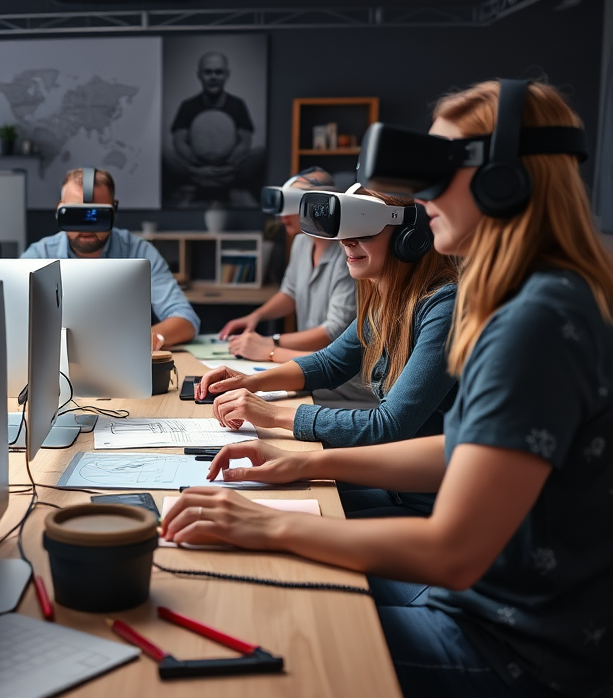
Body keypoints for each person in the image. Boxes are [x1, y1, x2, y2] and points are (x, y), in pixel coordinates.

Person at [165, 80, 612, 697]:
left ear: (502, 181)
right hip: (493, 616)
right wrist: (296, 470)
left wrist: (265, 524)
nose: (419, 194)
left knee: (262, 630)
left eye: (436, 170)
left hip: (514, 650)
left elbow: (453, 549)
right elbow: (460, 448)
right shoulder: (531, 298)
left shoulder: (532, 317)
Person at [196, 189, 459, 517]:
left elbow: (389, 425)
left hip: (432, 507)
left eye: (364, 229)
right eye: (346, 232)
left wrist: (275, 415)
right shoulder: (387, 299)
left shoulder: (443, 307)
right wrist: (251, 382)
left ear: (411, 236)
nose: (347, 242)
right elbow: (331, 363)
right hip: (397, 488)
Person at [217, 167, 377, 408]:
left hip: (341, 381)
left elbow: (332, 333)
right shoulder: (301, 242)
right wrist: (256, 316)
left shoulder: (351, 256)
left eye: (292, 206)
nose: (282, 217)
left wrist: (271, 344)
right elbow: (290, 293)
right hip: (308, 366)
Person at [23, 167, 200, 350]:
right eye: (77, 215)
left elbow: (186, 319)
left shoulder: (139, 252)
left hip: (123, 356)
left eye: (96, 215)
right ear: (60, 210)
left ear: (113, 211)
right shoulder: (39, 255)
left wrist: (147, 339)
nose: (87, 228)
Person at [164, 52, 265, 207]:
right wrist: (196, 167)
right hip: (194, 170)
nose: (213, 77)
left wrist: (228, 167)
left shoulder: (237, 104)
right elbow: (179, 141)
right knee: (164, 155)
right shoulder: (188, 106)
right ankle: (200, 185)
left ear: (226, 75)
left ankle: (226, 186)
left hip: (231, 170)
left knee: (260, 153)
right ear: (199, 75)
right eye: (208, 72)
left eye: (218, 72)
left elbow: (245, 141)